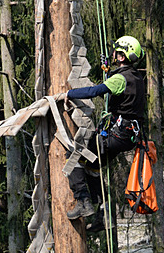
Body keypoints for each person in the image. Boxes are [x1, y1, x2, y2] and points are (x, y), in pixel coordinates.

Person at [64, 35, 146, 229]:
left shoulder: (120, 78)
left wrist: (69, 94)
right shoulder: (137, 77)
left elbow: (95, 91)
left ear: (122, 55)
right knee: (93, 167)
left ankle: (83, 201)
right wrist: (109, 72)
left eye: (117, 52)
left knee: (72, 158)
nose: (114, 54)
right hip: (128, 137)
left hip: (116, 135)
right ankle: (104, 214)